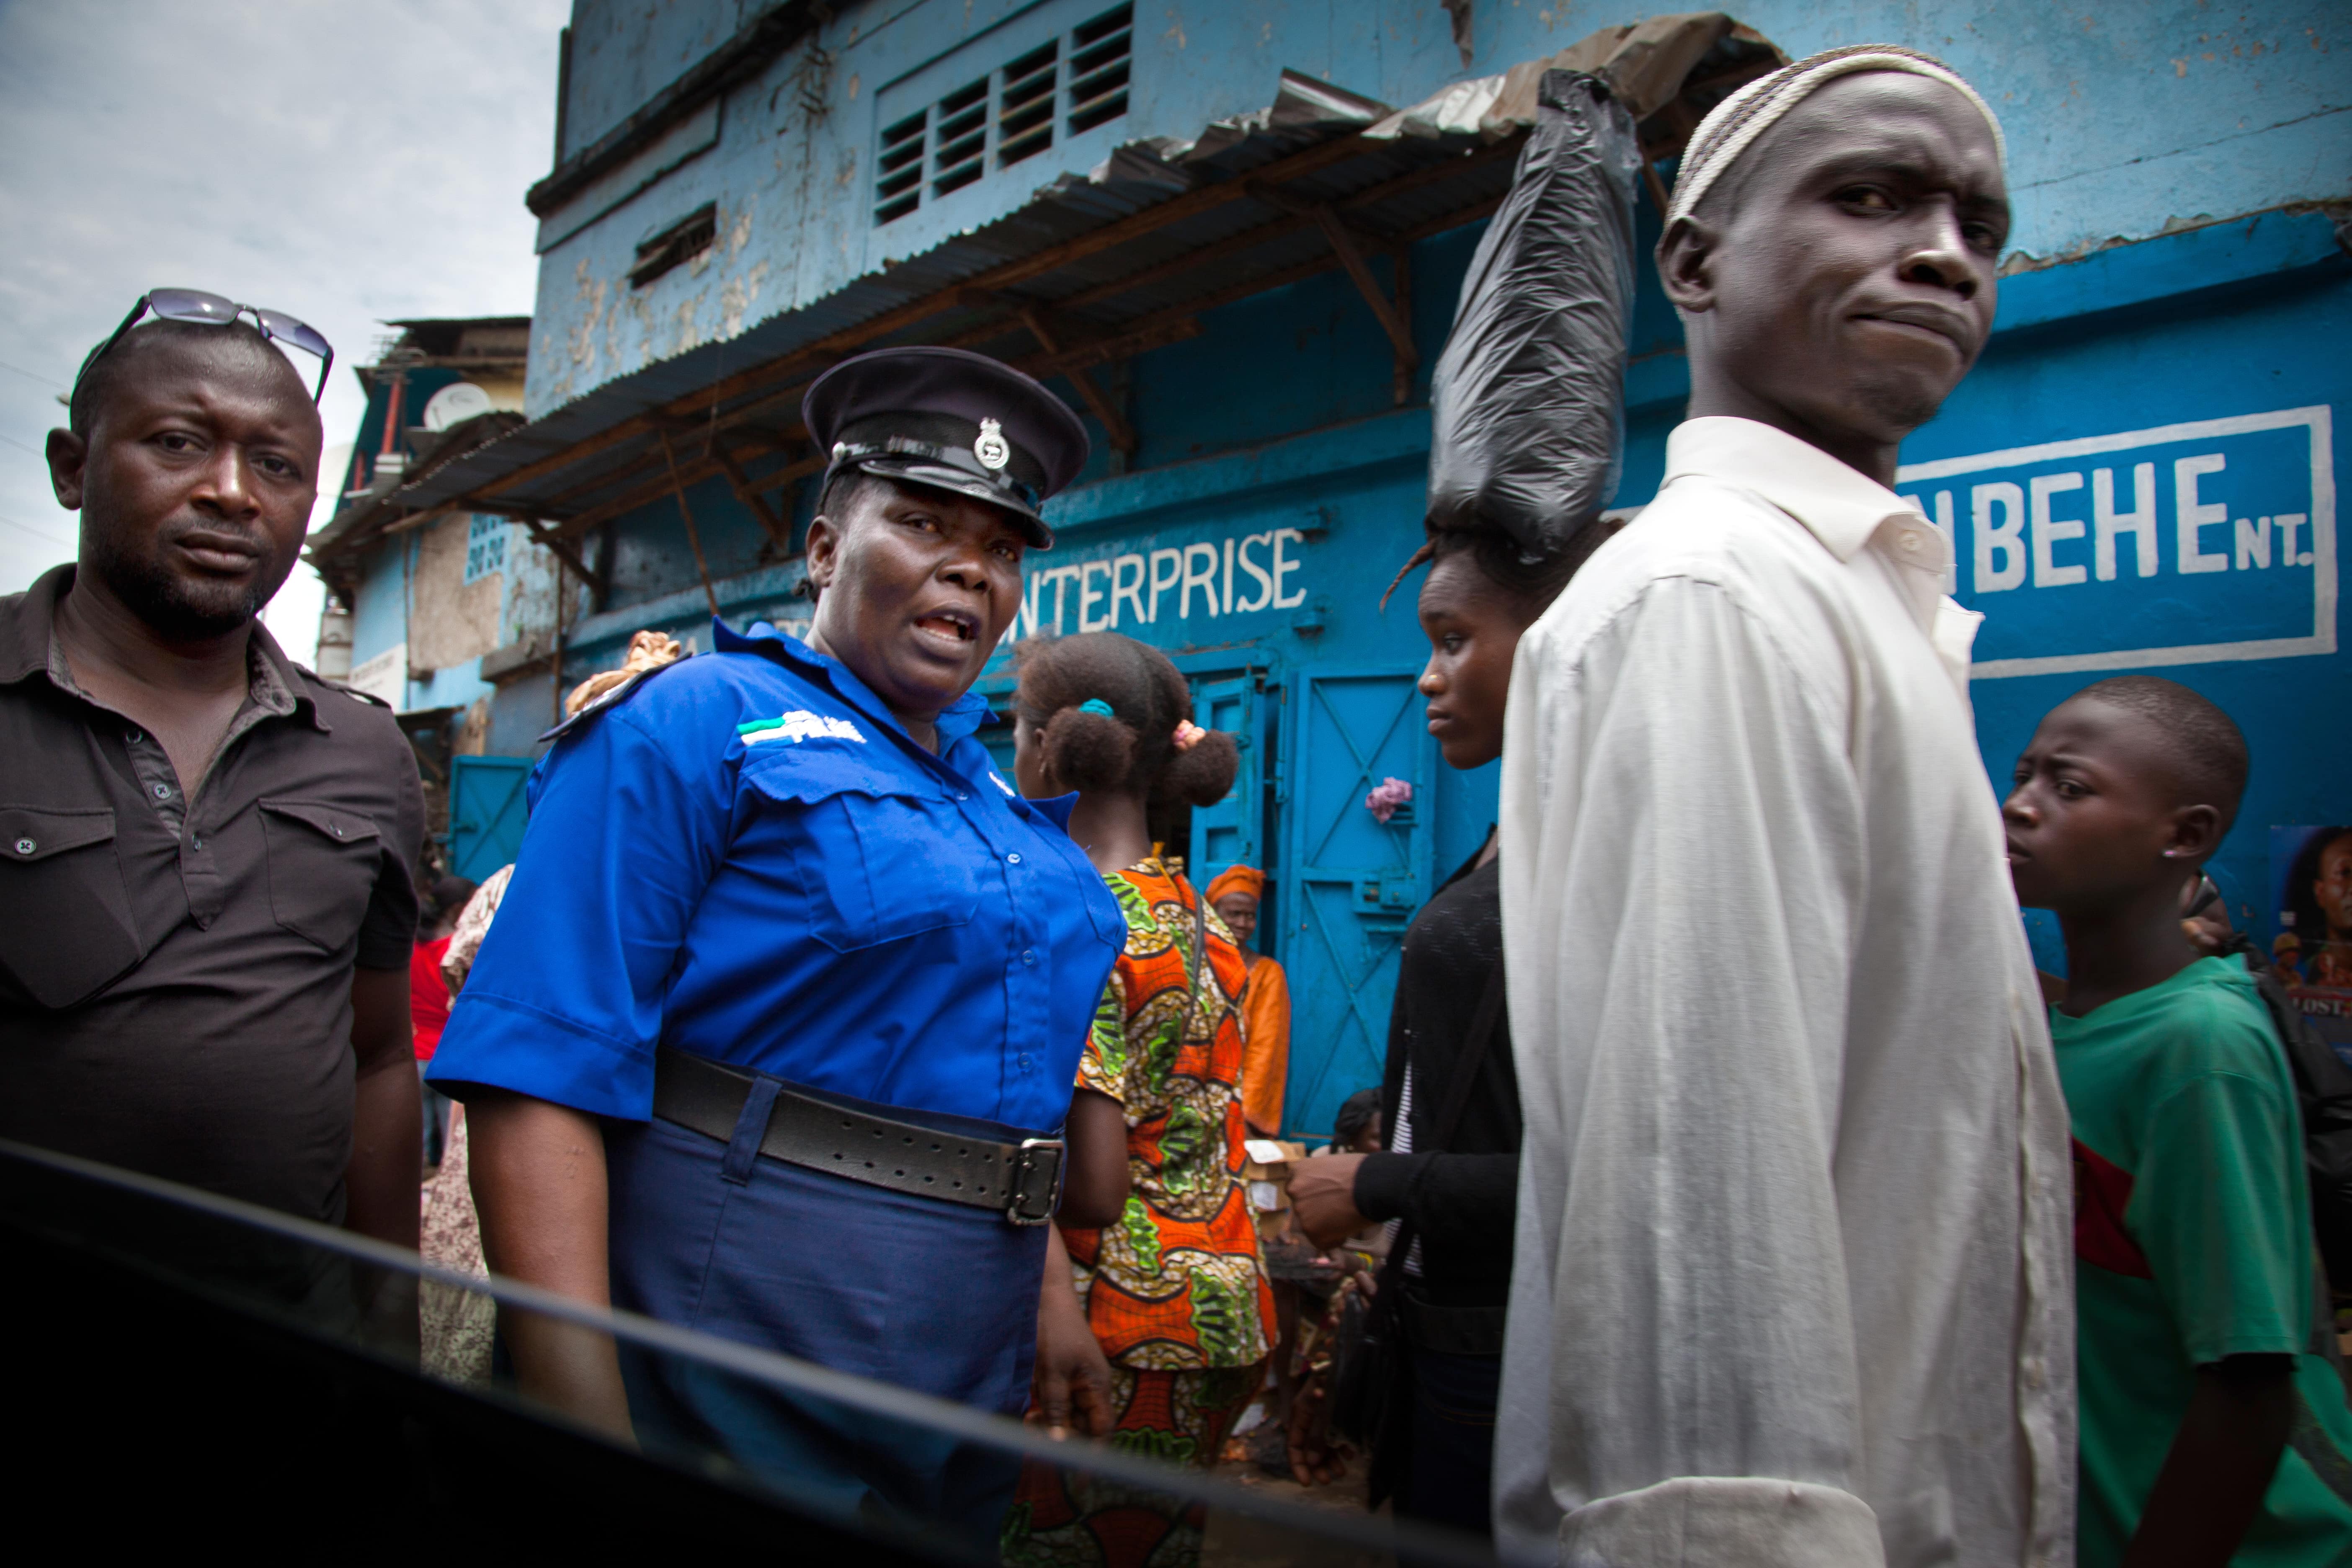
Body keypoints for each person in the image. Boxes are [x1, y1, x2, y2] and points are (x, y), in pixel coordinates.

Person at [1494, 47, 2075, 1568]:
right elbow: (1700, 1239)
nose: (1942, 252)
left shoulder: (1853, 601)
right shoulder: (1720, 597)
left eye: (1977, 224)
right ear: (1690, 261)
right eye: (1869, 196)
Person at [426, 347, 1128, 1542]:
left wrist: (1051, 1289)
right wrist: (585, 1431)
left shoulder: (991, 801)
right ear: (820, 551)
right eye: (919, 520)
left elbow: (990, 1069)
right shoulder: (700, 721)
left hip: (968, 1347)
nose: (971, 564)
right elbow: (535, 1077)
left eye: (1003, 547)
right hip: (742, 1321)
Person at [1, 292, 423, 1269]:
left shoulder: (364, 750)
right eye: (180, 443)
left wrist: (386, 1326)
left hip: (293, 1354)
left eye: (276, 466)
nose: (233, 492)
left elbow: (376, 1057)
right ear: (74, 468)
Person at [2005, 676, 2352, 1566]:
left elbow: (2248, 1382)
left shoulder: (2198, 1047)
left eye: (2069, 788)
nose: (2020, 807)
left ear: (2186, 835)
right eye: (2024, 776)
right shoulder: (2068, 1023)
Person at [1285, 520, 1586, 1534]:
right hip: (1447, 1327)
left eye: (1454, 639)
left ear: (1557, 636)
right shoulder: (1517, 826)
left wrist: (1374, 1182)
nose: (1425, 677)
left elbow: (1603, 1172)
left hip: (1511, 1343)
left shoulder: (1599, 848)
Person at [1001, 632, 1275, 1568]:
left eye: (1013, 729)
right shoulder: (1196, 914)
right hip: (1224, 1306)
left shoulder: (1081, 923)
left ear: (1048, 749)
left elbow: (1095, 1187)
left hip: (1115, 1320)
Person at [1205, 863, 1291, 1138]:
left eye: (1250, 916)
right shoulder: (1192, 963)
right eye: (1234, 914)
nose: (1243, 924)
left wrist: (1245, 1118)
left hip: (1236, 1112)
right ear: (1212, 914)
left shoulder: (1267, 974)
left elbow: (1265, 1053)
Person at [411, 874, 475, 1168]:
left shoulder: (411, 949)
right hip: (446, 1058)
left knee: (421, 1147)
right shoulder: (454, 953)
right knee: (451, 1152)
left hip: (415, 1056)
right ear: (459, 908)